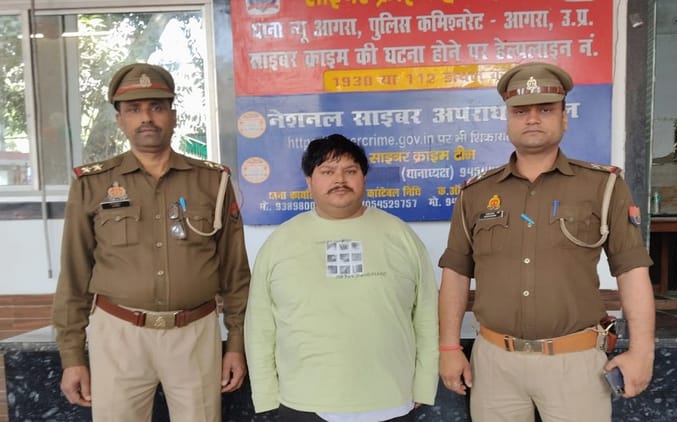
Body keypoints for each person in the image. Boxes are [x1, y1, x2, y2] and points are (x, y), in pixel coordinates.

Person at [437, 62, 655, 421]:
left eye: (546, 109)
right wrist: (449, 347)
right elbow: (456, 274)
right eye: (521, 111)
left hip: (575, 362)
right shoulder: (475, 194)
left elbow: (632, 271)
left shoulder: (603, 186)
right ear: (508, 121)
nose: (533, 119)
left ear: (564, 119)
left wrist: (643, 351)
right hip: (494, 365)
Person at [52, 63, 251, 421]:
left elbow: (236, 273)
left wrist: (236, 344)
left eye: (157, 107)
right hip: (118, 335)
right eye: (134, 109)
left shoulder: (213, 182)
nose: (146, 118)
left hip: (194, 334)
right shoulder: (92, 184)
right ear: (120, 120)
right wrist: (72, 357)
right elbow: (74, 275)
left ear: (173, 115)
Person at [245, 134, 439, 421]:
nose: (340, 179)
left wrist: (425, 384)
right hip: (305, 400)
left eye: (350, 171)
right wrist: (265, 394)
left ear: (364, 178)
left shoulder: (400, 236)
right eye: (327, 171)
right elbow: (260, 326)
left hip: (391, 398)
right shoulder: (280, 243)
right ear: (309, 181)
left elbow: (426, 316)